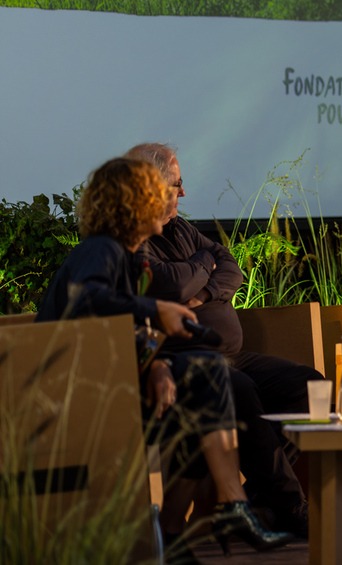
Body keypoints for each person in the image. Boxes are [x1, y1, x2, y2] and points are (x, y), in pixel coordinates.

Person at [36, 157, 292, 558]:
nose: (174, 199)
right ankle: (211, 515)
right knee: (208, 383)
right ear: (134, 202)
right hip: (72, 396)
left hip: (109, 380)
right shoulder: (101, 249)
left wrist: (153, 361)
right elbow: (87, 301)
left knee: (203, 391)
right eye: (160, 194)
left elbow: (118, 325)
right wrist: (156, 312)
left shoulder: (132, 257)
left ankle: (185, 527)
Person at [125, 143, 316, 538]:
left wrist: (201, 292)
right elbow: (169, 283)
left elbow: (230, 268)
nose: (183, 193)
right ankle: (290, 507)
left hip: (231, 356)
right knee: (239, 390)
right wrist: (200, 267)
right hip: (181, 363)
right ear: (151, 185)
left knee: (310, 387)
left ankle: (256, 503)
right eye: (176, 184)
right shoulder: (132, 236)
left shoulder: (180, 227)